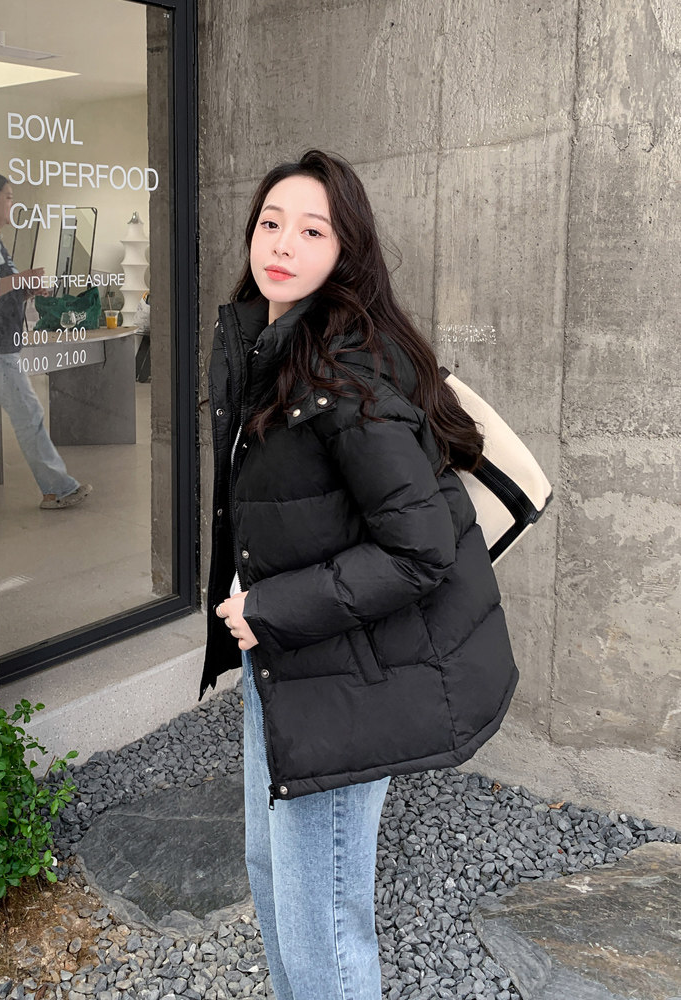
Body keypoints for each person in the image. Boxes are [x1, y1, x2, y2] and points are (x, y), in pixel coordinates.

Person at [202, 150, 518, 1000]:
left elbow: (421, 550)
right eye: (272, 222)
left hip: (344, 681)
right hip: (288, 660)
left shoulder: (344, 373)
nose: (283, 244)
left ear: (347, 251)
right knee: (274, 876)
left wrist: (268, 607)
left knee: (321, 927)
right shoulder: (270, 347)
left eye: (313, 231)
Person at [0, 172, 92, 509]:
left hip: (1, 346)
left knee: (23, 417)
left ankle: (57, 489)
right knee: (29, 416)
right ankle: (57, 489)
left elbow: (0, 291)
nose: (12, 203)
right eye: (8, 197)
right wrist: (21, 280)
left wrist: (25, 290)